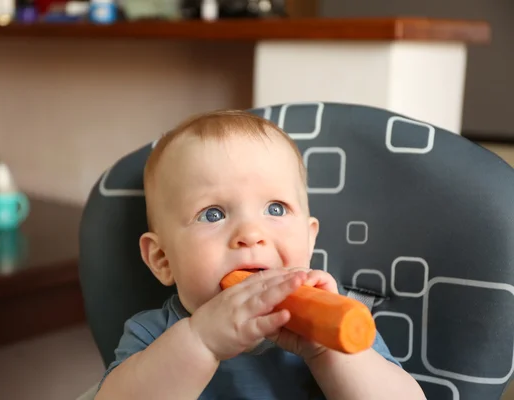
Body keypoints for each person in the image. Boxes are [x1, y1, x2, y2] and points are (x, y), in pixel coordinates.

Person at [95, 110, 425, 399]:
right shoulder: (153, 334)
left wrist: (328, 352)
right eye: (213, 214)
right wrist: (201, 342)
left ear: (309, 242)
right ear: (162, 260)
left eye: (275, 208)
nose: (251, 235)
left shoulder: (333, 319)